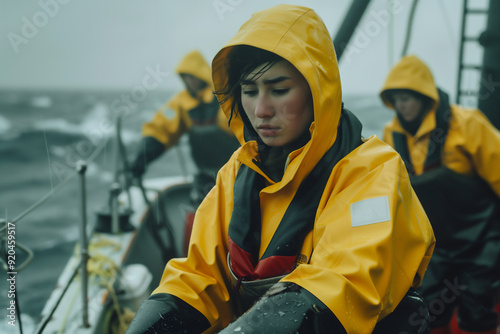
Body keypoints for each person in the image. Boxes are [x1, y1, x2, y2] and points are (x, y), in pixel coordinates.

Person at [126, 5, 435, 333]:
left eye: (279, 90)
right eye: (248, 91)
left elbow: (340, 286)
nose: (260, 110)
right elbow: (200, 280)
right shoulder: (235, 173)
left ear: (317, 91)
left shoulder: (374, 173)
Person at [379, 54, 500, 334]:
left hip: (481, 239)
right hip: (433, 244)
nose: (400, 106)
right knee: (429, 311)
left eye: (406, 98)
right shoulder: (389, 134)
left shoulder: (468, 123)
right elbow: (389, 193)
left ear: (424, 97)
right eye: (395, 99)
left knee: (477, 308)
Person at [130, 49, 240, 208]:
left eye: (192, 75)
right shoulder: (181, 103)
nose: (189, 80)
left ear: (201, 75)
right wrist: (140, 160)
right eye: (186, 77)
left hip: (236, 173)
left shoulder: (224, 96)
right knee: (201, 211)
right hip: (205, 175)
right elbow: (161, 130)